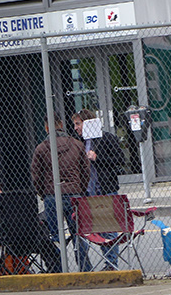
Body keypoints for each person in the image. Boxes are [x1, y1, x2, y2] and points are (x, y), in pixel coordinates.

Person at [31, 112, 90, 272]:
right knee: (78, 233)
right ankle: (85, 268)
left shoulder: (42, 148)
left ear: (46, 127)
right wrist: (80, 189)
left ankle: (59, 269)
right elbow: (86, 170)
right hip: (74, 193)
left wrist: (44, 193)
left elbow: (36, 176)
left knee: (56, 235)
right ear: (62, 125)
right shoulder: (77, 145)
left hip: (52, 195)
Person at [73, 109, 125, 270]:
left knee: (108, 229)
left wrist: (98, 158)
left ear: (88, 123)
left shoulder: (106, 138)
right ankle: (98, 264)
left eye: (78, 124)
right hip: (89, 191)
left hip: (105, 188)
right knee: (95, 229)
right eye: (74, 124)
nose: (76, 128)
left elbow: (120, 159)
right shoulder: (78, 143)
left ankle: (111, 263)